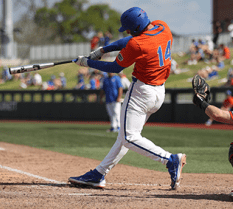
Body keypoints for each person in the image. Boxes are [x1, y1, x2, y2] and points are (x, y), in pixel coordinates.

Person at [70, 7, 186, 190]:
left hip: (141, 92)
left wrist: (87, 63)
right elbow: (129, 40)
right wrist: (103, 50)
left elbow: (115, 67)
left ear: (136, 27)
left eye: (130, 28)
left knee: (129, 137)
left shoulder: (137, 44)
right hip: (158, 93)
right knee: (125, 136)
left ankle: (170, 160)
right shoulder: (162, 26)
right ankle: (98, 174)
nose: (128, 31)